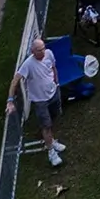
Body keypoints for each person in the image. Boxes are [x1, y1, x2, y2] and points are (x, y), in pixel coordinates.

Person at [15, 35, 66, 165]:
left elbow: (53, 67)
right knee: (46, 125)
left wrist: (57, 82)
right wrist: (10, 100)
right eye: (39, 50)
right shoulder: (28, 64)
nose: (43, 51)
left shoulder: (49, 54)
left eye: (43, 48)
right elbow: (15, 80)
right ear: (33, 52)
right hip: (40, 100)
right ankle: (51, 152)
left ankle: (51, 141)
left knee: (53, 118)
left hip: (53, 93)